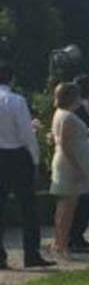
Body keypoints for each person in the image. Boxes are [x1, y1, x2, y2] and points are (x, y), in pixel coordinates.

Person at [0, 63, 52, 269]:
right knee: (28, 207)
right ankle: (31, 254)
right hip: (16, 155)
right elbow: (25, 134)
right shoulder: (16, 101)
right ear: (11, 79)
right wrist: (36, 159)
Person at [48, 83, 89, 259]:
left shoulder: (61, 114)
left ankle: (58, 242)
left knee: (64, 207)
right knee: (68, 208)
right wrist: (77, 167)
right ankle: (62, 244)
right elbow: (65, 144)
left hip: (66, 162)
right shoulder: (67, 117)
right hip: (69, 165)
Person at [67, 74, 89, 253]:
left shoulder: (83, 107)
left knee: (86, 198)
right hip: (81, 157)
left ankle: (78, 234)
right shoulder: (77, 109)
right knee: (83, 198)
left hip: (87, 156)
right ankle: (74, 236)